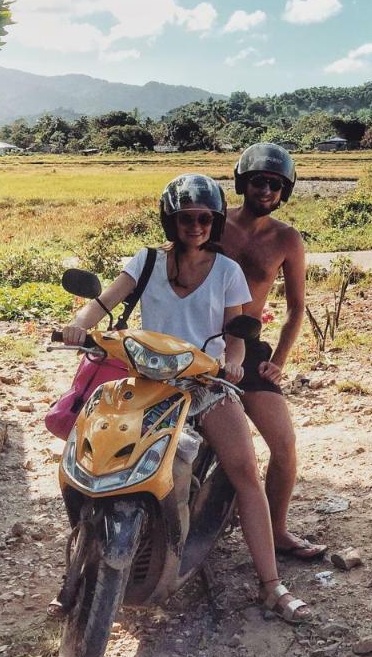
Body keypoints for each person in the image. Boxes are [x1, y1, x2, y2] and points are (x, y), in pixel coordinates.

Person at [63, 174, 312, 623]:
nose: (194, 226)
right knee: (92, 457)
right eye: (185, 219)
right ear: (170, 221)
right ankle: (77, 573)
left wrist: (233, 361)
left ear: (214, 222)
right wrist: (80, 323)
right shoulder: (145, 262)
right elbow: (103, 302)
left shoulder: (228, 272)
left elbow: (238, 333)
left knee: (245, 472)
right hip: (147, 382)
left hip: (203, 385)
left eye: (203, 218)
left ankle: (271, 584)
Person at [220, 143, 327, 561]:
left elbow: (296, 307)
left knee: (283, 445)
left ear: (286, 191)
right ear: (243, 182)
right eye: (259, 181)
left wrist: (278, 360)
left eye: (276, 185)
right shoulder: (215, 224)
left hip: (248, 350)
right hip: (202, 341)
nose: (266, 190)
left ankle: (277, 530)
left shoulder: (287, 239)